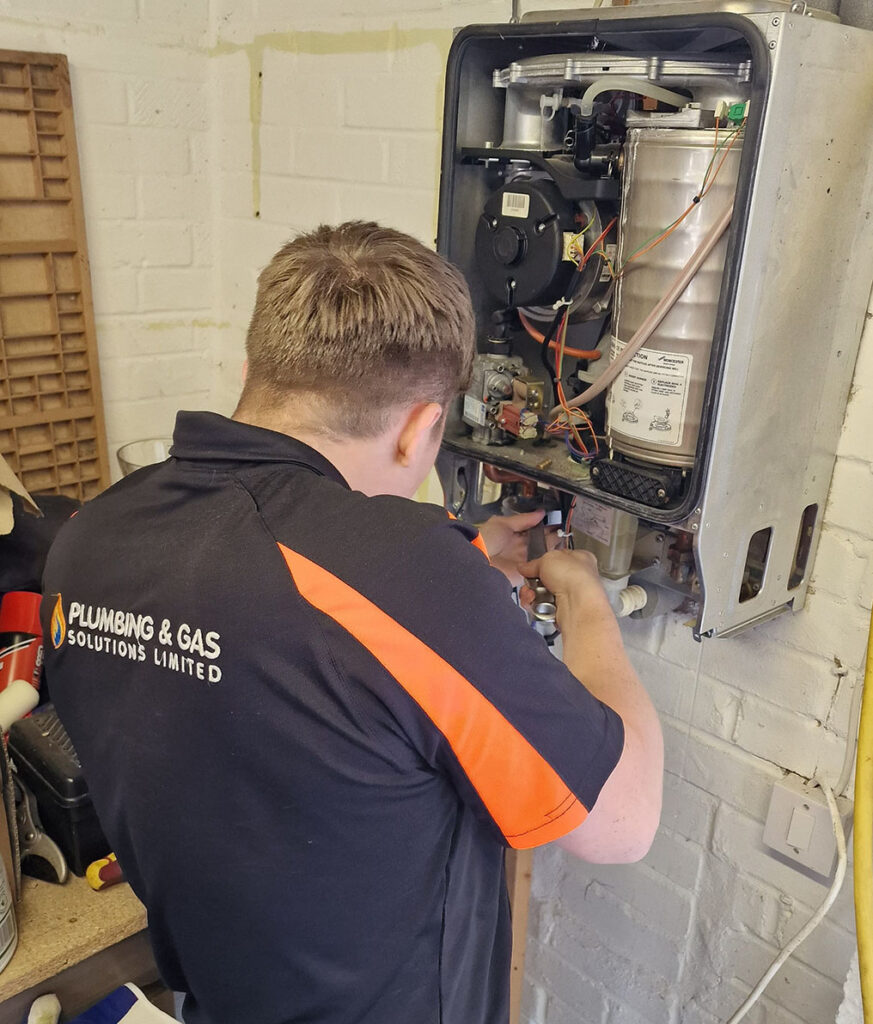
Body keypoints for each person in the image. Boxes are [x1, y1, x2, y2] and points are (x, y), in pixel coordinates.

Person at [42, 222, 663, 1024]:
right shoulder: (404, 572)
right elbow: (621, 822)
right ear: (420, 427)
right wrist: (582, 596)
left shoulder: (90, 535)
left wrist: (465, 562)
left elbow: (255, 612)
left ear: (252, 374)